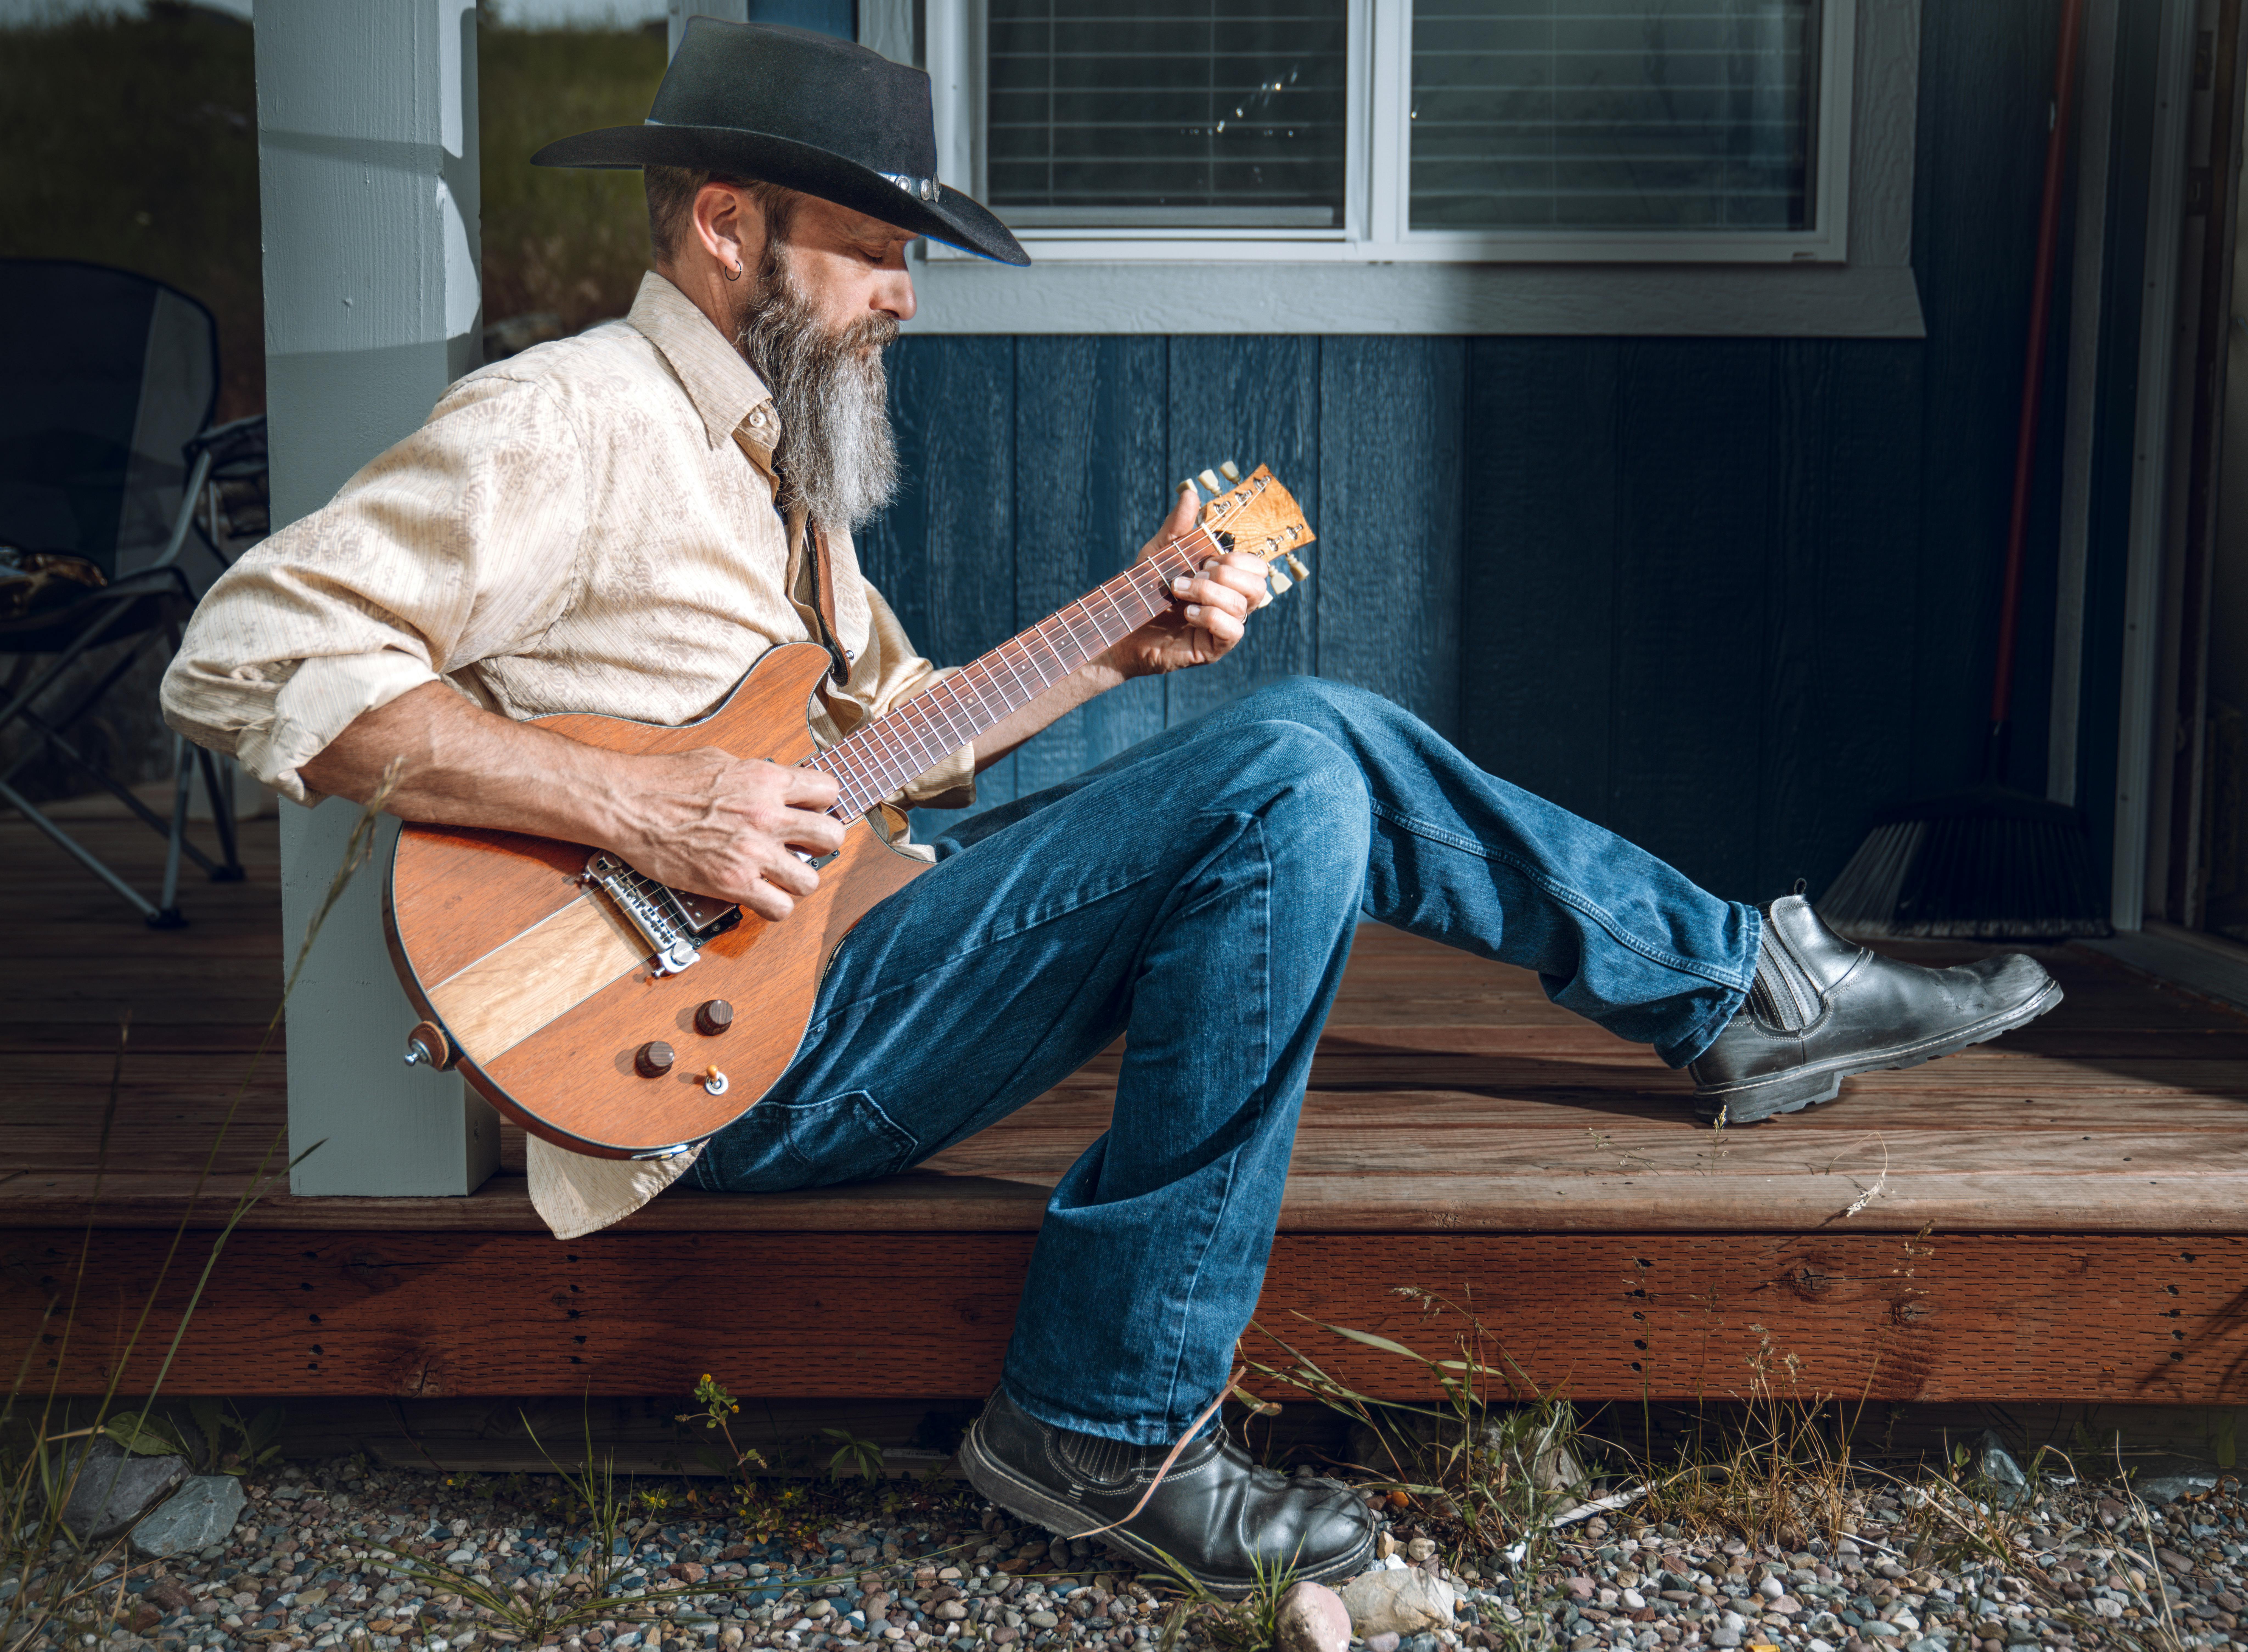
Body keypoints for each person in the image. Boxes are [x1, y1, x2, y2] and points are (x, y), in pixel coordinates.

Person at [162, 19, 2061, 1598]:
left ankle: (1729, 989)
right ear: (731, 227)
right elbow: (246, 655)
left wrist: (1119, 641)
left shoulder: (768, 469)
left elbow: (893, 744)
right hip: (710, 1047)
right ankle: (1106, 1416)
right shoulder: (569, 417)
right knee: (1294, 765)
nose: (904, 296)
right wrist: (646, 813)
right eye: (874, 250)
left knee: (1320, 740)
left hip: (842, 940)